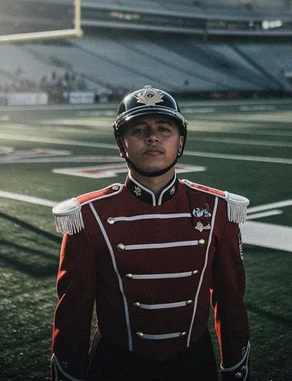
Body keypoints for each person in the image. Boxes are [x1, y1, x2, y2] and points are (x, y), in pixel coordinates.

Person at [50, 85, 251, 381]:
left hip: (193, 364)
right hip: (116, 366)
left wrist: (235, 368)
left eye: (164, 129)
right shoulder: (88, 216)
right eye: (139, 129)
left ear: (180, 141)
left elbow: (231, 302)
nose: (152, 137)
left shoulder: (219, 209)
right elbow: (73, 315)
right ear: (122, 144)